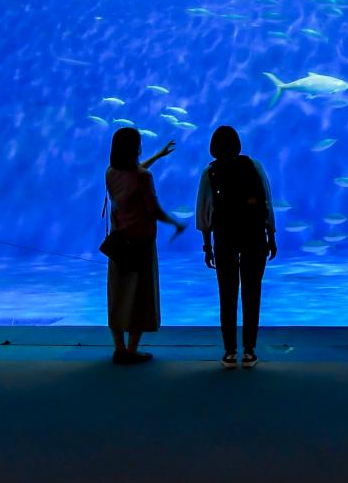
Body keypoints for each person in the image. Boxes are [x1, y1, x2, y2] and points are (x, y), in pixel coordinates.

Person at [196, 125, 275, 368]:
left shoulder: (210, 172)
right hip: (254, 236)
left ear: (213, 147)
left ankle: (229, 352)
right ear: (238, 144)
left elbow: (204, 212)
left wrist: (207, 246)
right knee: (252, 293)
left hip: (224, 237)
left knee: (227, 294)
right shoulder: (254, 166)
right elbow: (266, 201)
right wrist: (271, 235)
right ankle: (249, 351)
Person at [104, 126, 184, 365]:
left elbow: (132, 177)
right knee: (138, 295)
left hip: (118, 241)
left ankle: (119, 348)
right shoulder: (143, 177)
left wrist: (158, 157)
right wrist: (175, 223)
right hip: (140, 242)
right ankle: (131, 350)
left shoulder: (110, 172)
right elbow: (154, 208)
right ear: (135, 147)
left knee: (118, 294)